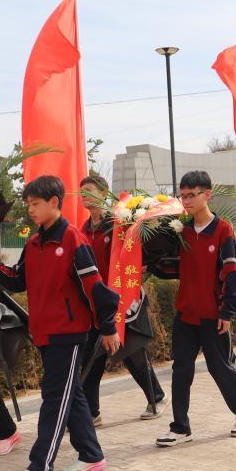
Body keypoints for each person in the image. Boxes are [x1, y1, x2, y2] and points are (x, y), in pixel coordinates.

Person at [0, 175, 121, 471]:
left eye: (35, 204)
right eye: (28, 204)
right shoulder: (35, 242)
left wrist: (109, 327)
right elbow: (16, 280)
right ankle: (92, 455)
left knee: (55, 398)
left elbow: (96, 289)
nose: (31, 210)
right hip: (44, 331)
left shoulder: (73, 240)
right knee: (73, 394)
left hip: (69, 332)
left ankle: (39, 467)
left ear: (54, 202)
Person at [149, 170, 236, 446]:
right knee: (181, 370)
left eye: (191, 195)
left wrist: (227, 311)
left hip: (213, 316)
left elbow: (230, 272)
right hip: (185, 314)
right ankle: (180, 427)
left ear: (207, 195)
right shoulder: (180, 230)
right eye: (182, 195)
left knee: (220, 368)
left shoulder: (223, 230)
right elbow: (171, 267)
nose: (186, 200)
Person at [78, 174, 168, 422]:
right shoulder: (82, 231)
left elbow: (134, 254)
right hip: (95, 305)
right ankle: (92, 413)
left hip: (122, 301)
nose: (85, 194)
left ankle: (157, 397)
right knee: (91, 358)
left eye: (90, 189)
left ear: (105, 193)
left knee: (132, 353)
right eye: (82, 190)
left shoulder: (118, 224)